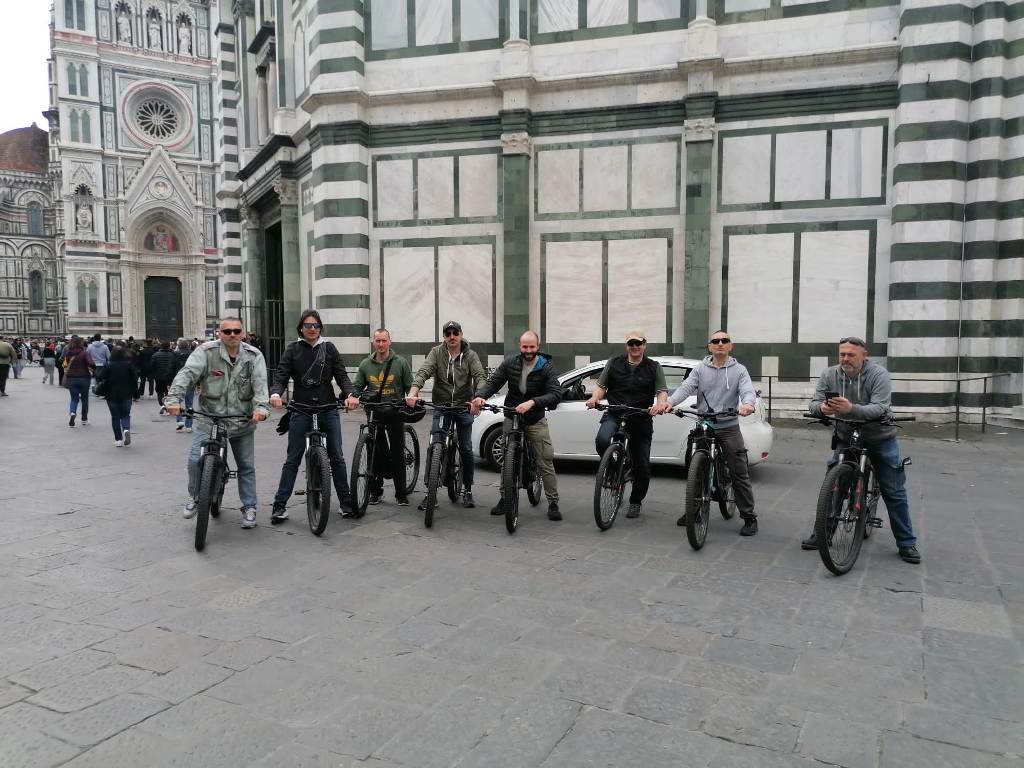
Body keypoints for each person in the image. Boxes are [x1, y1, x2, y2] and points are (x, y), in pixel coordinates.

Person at [800, 336, 921, 564]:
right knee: (834, 486)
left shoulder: (879, 374)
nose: (845, 359)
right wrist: (822, 408)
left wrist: (850, 409)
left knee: (894, 492)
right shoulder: (830, 374)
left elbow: (880, 407)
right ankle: (824, 532)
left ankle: (906, 543)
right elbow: (814, 403)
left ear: (864, 356)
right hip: (846, 436)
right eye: (842, 354)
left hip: (880, 437)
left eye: (851, 355)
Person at [165, 317, 270, 529]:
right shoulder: (206, 352)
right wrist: (174, 399)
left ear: (243, 333)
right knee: (194, 460)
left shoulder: (253, 355)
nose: (232, 335)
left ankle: (249, 507)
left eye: (236, 331)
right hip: (209, 418)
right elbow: (187, 374)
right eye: (227, 331)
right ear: (219, 333)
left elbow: (260, 384)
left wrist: (261, 407)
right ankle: (195, 497)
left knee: (246, 466)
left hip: (241, 420)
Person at [661, 330, 759, 536]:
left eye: (724, 341)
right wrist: (669, 402)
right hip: (704, 424)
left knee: (739, 471)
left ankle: (749, 516)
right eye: (716, 341)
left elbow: (747, 391)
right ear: (710, 346)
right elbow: (686, 388)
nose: (720, 343)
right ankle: (694, 509)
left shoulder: (739, 370)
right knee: (695, 468)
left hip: (728, 425)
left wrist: (748, 404)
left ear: (730, 346)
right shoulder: (700, 369)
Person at [269, 309, 357, 523]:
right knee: (293, 459)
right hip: (301, 408)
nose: (311, 329)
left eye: (315, 325)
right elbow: (281, 375)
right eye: (307, 325)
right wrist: (275, 393)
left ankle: (346, 503)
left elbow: (341, 375)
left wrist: (350, 394)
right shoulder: (292, 350)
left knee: (337, 457)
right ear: (301, 328)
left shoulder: (329, 348)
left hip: (328, 407)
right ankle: (279, 506)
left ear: (320, 328)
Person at [471, 330, 563, 521]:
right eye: (524, 347)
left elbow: (555, 394)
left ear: (538, 347)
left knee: (544, 460)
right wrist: (480, 396)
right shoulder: (510, 363)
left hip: (535, 418)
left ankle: (553, 502)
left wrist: (533, 402)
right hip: (512, 415)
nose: (528, 350)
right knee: (508, 458)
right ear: (520, 347)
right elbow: (493, 383)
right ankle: (505, 498)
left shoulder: (546, 366)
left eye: (532, 347)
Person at [585, 331, 669, 519]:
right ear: (627, 346)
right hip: (615, 412)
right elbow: (601, 386)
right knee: (602, 440)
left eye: (638, 343)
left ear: (644, 345)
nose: (635, 347)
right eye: (631, 343)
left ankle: (635, 501)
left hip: (640, 416)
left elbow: (661, 391)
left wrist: (660, 404)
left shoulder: (653, 367)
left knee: (642, 465)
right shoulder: (614, 363)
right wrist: (594, 398)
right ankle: (614, 469)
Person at [406, 320, 487, 510]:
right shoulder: (436, 352)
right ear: (444, 336)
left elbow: (480, 377)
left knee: (466, 448)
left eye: (455, 333)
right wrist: (412, 393)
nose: (451, 337)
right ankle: (430, 493)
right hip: (441, 406)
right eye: (448, 334)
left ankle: (467, 489)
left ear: (461, 334)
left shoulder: (470, 355)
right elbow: (424, 372)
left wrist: (479, 398)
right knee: (435, 445)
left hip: (463, 406)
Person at [344, 328, 413, 508]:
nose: (381, 344)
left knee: (397, 452)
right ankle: (375, 492)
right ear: (373, 342)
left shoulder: (400, 363)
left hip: (395, 412)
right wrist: (353, 396)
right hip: (374, 412)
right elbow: (358, 386)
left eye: (384, 340)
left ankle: (401, 494)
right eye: (378, 341)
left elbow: (409, 387)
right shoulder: (365, 364)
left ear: (390, 341)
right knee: (375, 451)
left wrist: (412, 398)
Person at [97, 346, 138, 446]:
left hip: (111, 394)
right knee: (125, 414)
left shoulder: (109, 365)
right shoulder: (129, 365)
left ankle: (118, 439)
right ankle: (126, 429)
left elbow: (100, 377)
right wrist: (135, 392)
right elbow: (134, 380)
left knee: (115, 416)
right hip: (126, 394)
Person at [64, 336, 94, 427]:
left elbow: (65, 364)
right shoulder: (85, 353)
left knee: (74, 399)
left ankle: (72, 413)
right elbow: (91, 363)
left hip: (71, 378)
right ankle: (84, 419)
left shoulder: (68, 353)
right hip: (84, 378)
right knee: (85, 399)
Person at [172, 338, 195, 432]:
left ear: (178, 346)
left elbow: (172, 368)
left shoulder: (174, 354)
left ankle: (179, 420)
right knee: (189, 403)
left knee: (176, 401)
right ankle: (189, 426)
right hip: (190, 380)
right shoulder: (193, 354)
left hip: (178, 380)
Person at [150, 340, 176, 411]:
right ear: (169, 346)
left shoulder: (155, 355)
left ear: (161, 346)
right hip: (170, 377)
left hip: (159, 377)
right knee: (169, 392)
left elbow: (152, 366)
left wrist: (154, 374)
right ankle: (168, 406)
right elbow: (175, 366)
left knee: (160, 392)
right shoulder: (173, 355)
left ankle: (162, 405)